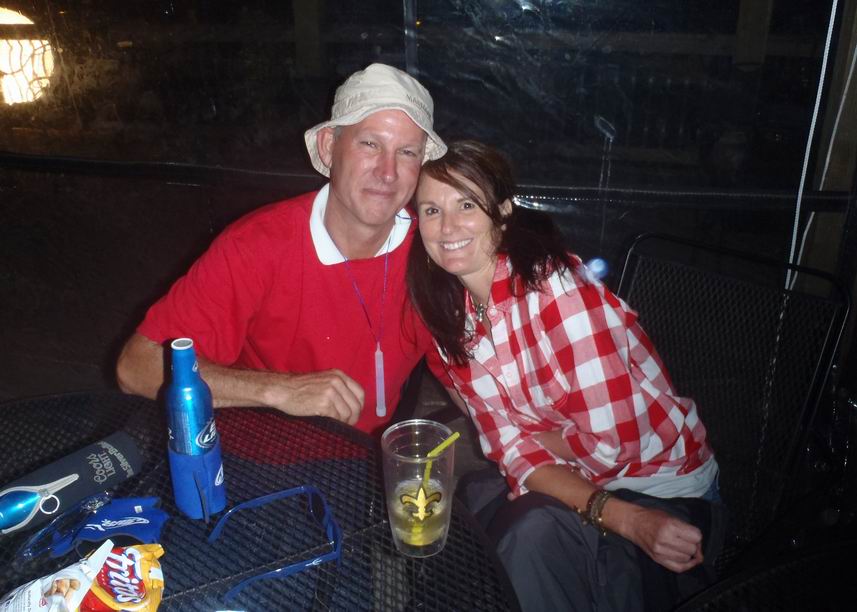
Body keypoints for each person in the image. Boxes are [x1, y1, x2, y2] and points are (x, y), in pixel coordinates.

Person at [407, 140, 723, 611]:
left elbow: (612, 446)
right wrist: (541, 448)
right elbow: (509, 451)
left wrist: (538, 446)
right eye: (432, 210)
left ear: (503, 211)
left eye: (466, 204)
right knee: (482, 534)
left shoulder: (555, 293)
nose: (447, 226)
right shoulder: (452, 316)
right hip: (585, 481)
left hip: (659, 487)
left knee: (526, 540)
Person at [116, 63, 447, 434]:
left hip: (367, 457)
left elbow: (473, 375)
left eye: (407, 152)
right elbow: (136, 367)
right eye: (370, 144)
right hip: (257, 454)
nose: (388, 172)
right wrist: (279, 390)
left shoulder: (435, 252)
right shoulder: (258, 245)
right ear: (328, 147)